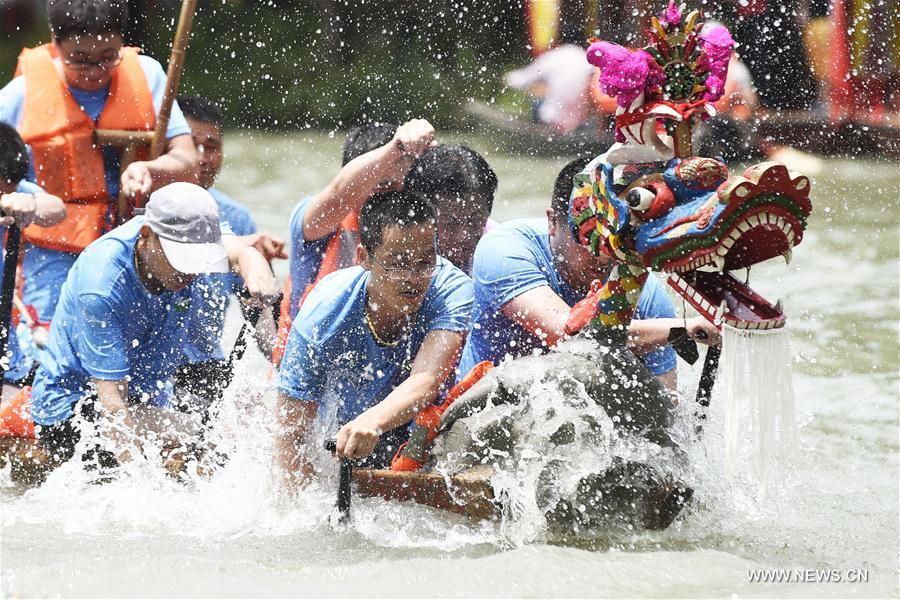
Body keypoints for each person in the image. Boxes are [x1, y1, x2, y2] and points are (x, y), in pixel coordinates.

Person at [29, 183, 279, 472]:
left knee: (240, 432)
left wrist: (258, 273)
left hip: (147, 399)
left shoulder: (189, 230)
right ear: (146, 236)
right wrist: (143, 492)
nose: (190, 272)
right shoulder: (101, 287)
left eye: (198, 260)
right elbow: (113, 404)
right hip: (75, 408)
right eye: (182, 260)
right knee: (202, 433)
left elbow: (243, 253)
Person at [0, 0, 199, 327]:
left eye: (108, 57)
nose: (95, 71)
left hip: (133, 241)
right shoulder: (19, 95)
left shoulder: (148, 76)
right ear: (55, 40)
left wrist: (150, 168)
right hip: (54, 249)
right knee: (50, 344)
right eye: (80, 60)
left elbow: (188, 160)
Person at [457, 158, 720, 390]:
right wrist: (683, 330)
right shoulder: (505, 247)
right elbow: (567, 334)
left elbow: (668, 403)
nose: (603, 255)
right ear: (552, 222)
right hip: (486, 406)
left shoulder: (646, 293)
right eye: (589, 238)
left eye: (614, 240)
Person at [275, 190, 473, 494]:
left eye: (425, 262)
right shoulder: (323, 316)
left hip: (412, 427)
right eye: (397, 263)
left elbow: (427, 380)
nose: (413, 277)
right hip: (345, 435)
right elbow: (291, 433)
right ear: (364, 258)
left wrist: (373, 421)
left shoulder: (452, 290)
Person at [174, 95, 284, 406]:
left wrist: (288, 359)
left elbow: (260, 318)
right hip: (144, 365)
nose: (202, 158)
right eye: (190, 145)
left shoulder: (236, 218)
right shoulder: (139, 207)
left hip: (203, 371)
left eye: (211, 147)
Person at [0, 124, 66, 396]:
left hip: (8, 368)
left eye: (7, 191)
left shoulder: (17, 191)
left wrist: (31, 205)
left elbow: (57, 209)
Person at [404, 144, 498, 275]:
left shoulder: (498, 248)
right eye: (449, 222)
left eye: (475, 220)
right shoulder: (398, 252)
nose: (463, 236)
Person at [505, 44, 598, 133]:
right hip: (578, 121)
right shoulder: (589, 62)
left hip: (549, 117)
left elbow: (519, 79)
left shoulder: (554, 56)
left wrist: (508, 79)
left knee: (538, 91)